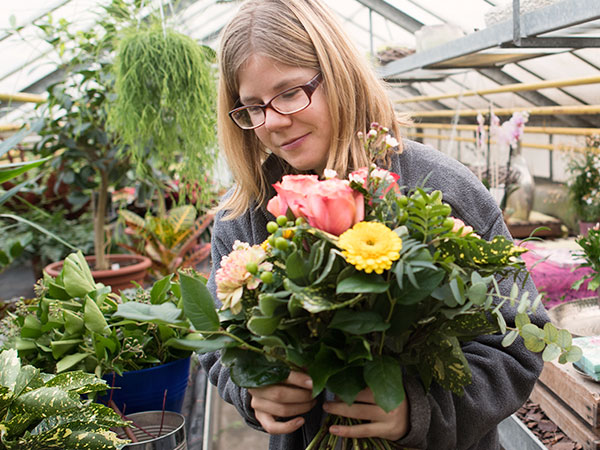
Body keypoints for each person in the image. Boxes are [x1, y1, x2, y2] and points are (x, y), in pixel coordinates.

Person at [200, 1, 549, 449]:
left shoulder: (437, 189)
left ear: (339, 72)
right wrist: (251, 388)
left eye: (290, 92)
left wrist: (419, 411)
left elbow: (519, 343)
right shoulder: (246, 215)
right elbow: (214, 341)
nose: (274, 122)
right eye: (252, 106)